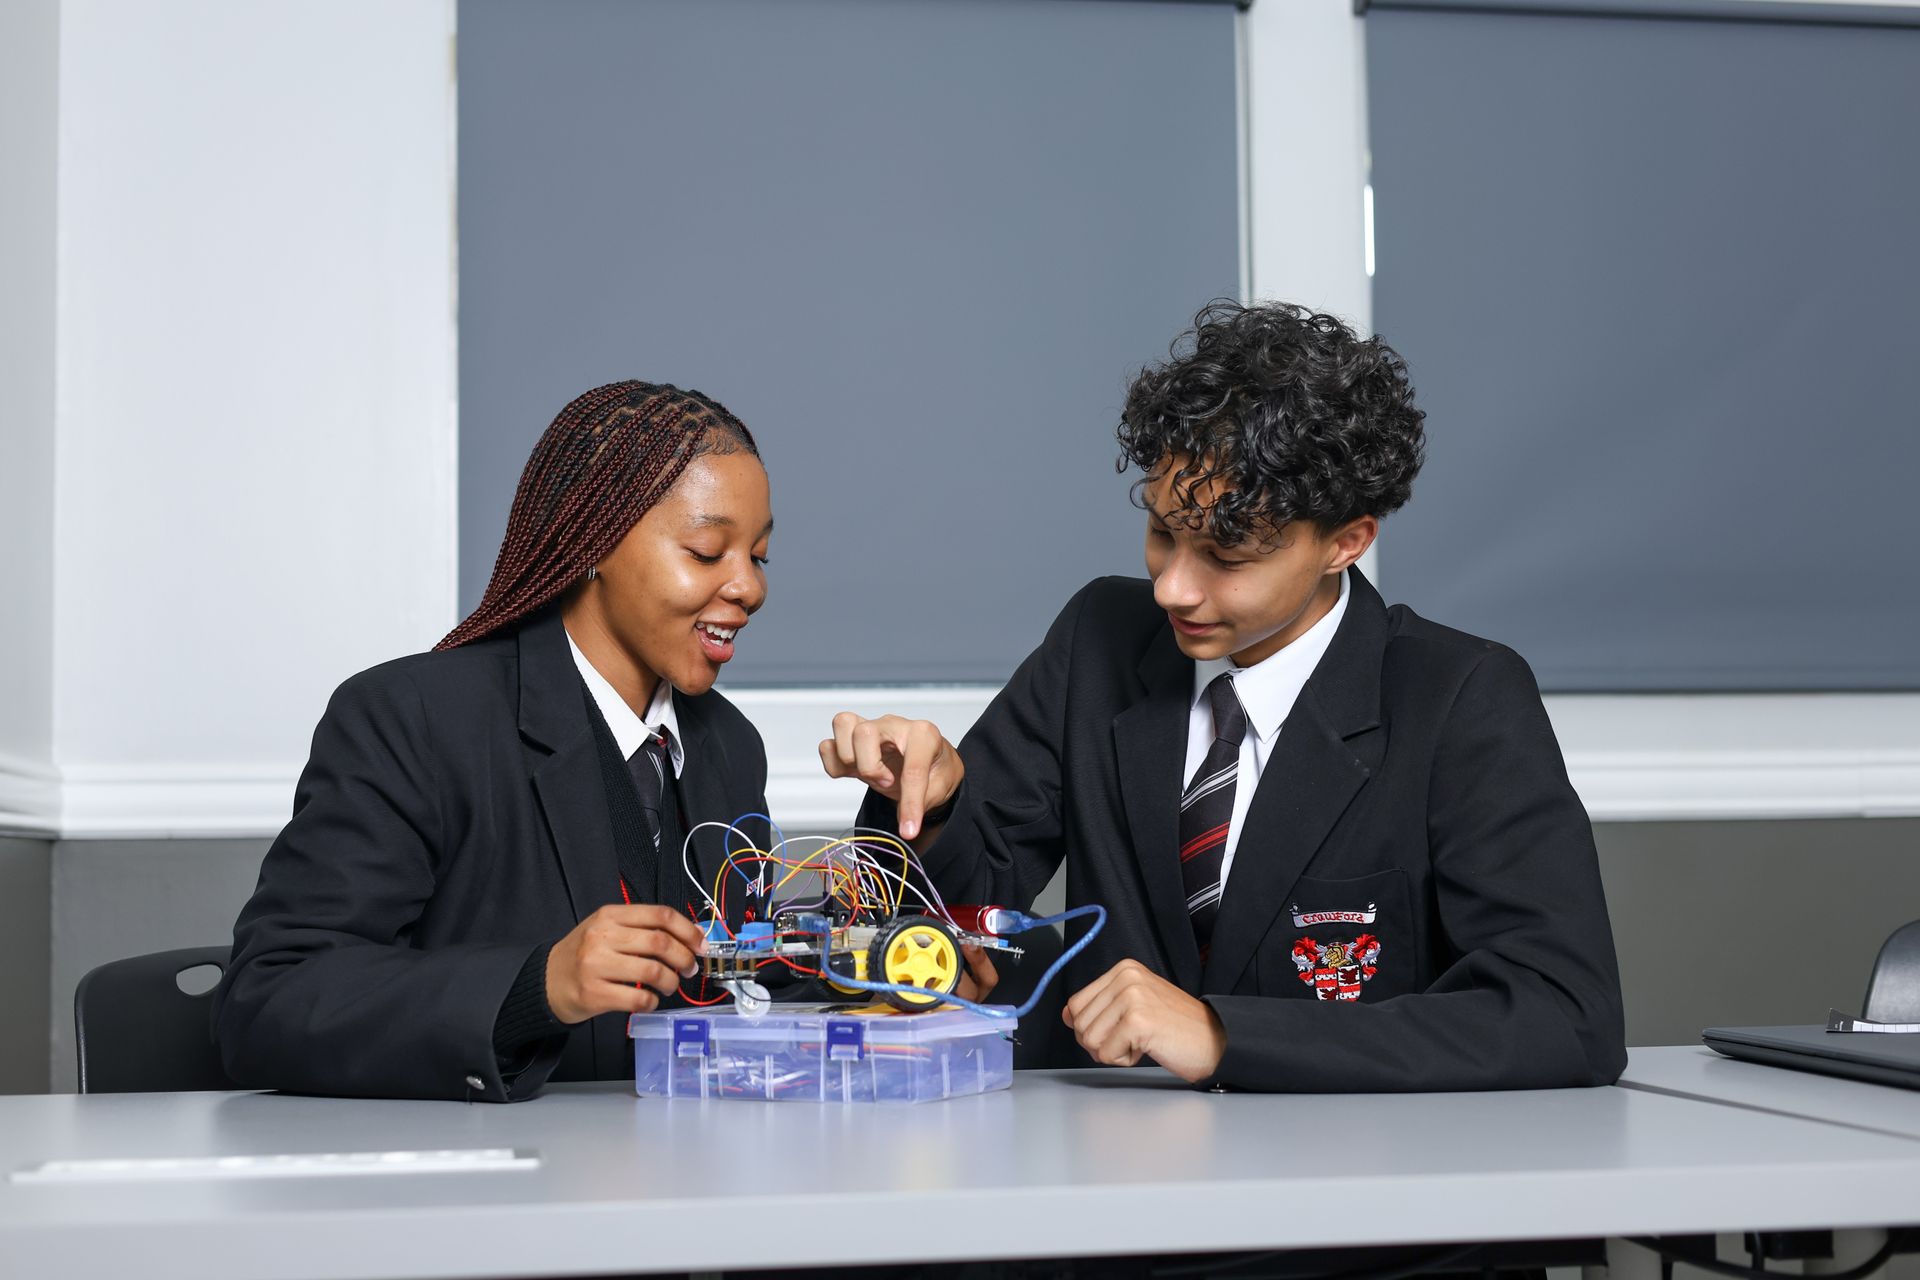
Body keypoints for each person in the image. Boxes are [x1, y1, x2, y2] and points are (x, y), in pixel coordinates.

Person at [821, 301, 1627, 1092]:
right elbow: (957, 925)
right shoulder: (1100, 640)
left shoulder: (1460, 699)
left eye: (1226, 554)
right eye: (1163, 532)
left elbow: (1563, 1013)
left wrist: (1221, 1034)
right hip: (1124, 1186)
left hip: (1363, 1200)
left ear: (1347, 540)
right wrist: (934, 799)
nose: (1173, 587)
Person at [214, 380, 776, 1101]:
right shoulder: (411, 719)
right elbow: (270, 1002)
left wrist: (899, 837)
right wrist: (535, 987)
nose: (749, 588)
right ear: (594, 542)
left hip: (688, 1187)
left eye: (758, 557)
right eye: (706, 551)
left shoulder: (730, 745)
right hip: (487, 1198)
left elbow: (755, 992)